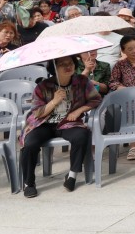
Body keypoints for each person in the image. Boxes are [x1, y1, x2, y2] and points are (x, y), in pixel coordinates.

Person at [19, 55, 101, 198]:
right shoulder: (43, 86)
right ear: (54, 68)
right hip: (43, 123)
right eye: (62, 64)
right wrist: (54, 101)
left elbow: (96, 99)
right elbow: (37, 113)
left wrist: (79, 110)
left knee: (82, 135)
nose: (67, 66)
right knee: (30, 144)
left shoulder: (82, 81)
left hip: (68, 122)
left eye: (70, 63)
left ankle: (72, 176)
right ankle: (29, 183)